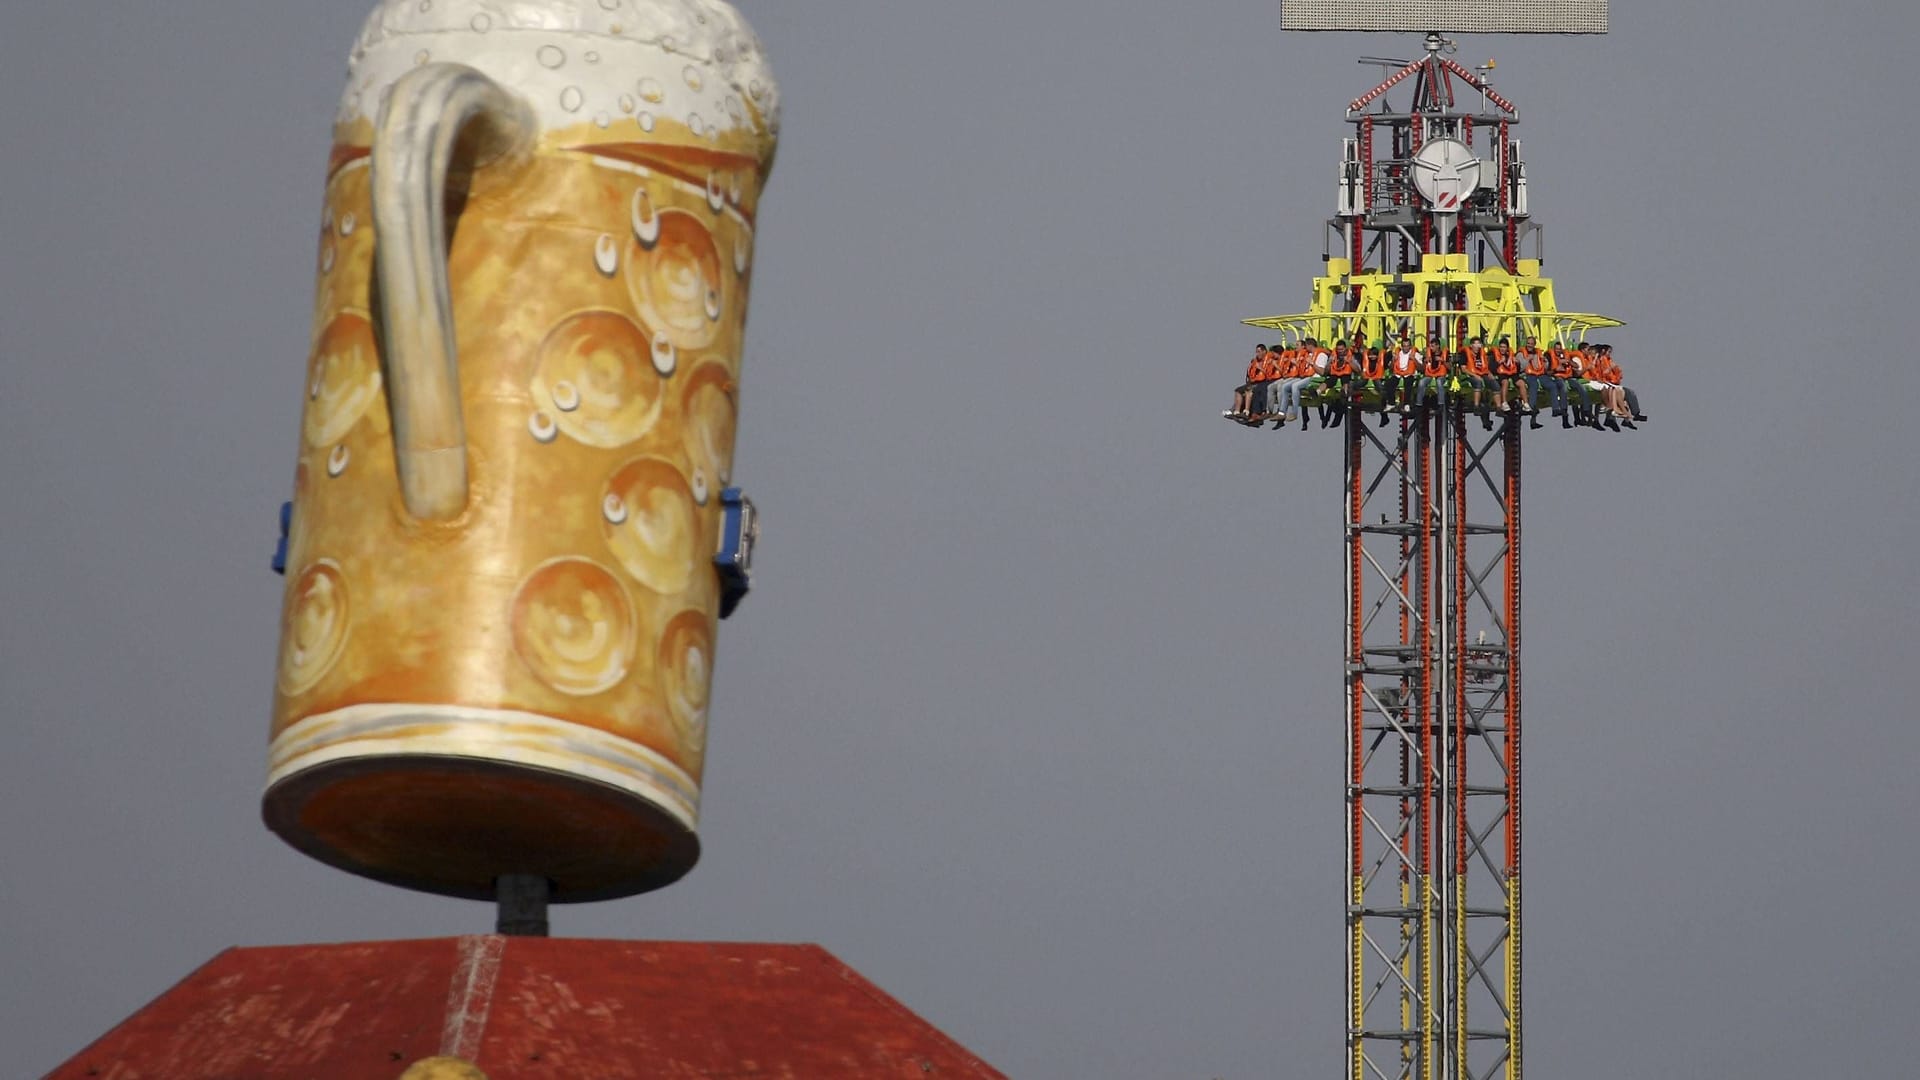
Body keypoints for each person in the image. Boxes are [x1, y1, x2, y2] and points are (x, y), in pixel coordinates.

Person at [1227, 344, 1264, 422]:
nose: (1257, 354)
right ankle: (1236, 411)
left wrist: (1260, 368)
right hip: (1252, 382)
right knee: (1238, 390)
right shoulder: (1254, 362)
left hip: (1262, 383)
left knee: (1248, 391)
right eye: (1256, 352)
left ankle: (1246, 412)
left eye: (1259, 352)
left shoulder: (1267, 362)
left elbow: (1268, 374)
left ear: (1264, 351)